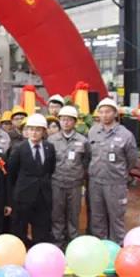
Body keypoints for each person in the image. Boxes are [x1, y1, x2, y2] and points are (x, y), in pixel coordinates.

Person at [88, 98, 138, 245]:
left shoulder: (126, 135)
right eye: (101, 112)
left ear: (115, 113)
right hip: (95, 182)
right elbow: (88, 155)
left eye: (108, 112)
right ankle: (100, 247)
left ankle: (117, 247)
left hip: (116, 184)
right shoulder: (93, 131)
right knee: (97, 218)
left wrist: (119, 173)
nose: (104, 115)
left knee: (117, 217)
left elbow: (132, 160)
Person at [7, 114, 56, 247]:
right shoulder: (19, 148)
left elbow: (50, 169)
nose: (34, 133)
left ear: (44, 131)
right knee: (20, 230)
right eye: (31, 129)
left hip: (43, 196)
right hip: (23, 196)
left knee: (42, 230)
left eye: (38, 130)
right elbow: (11, 173)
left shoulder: (49, 147)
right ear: (27, 131)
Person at [49, 106, 90, 249]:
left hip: (75, 184)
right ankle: (58, 242)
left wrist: (80, 175)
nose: (66, 123)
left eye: (69, 120)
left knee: (74, 214)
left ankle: (73, 242)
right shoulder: (52, 140)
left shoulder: (83, 141)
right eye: (63, 119)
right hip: (57, 183)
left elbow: (86, 160)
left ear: (75, 122)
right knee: (57, 214)